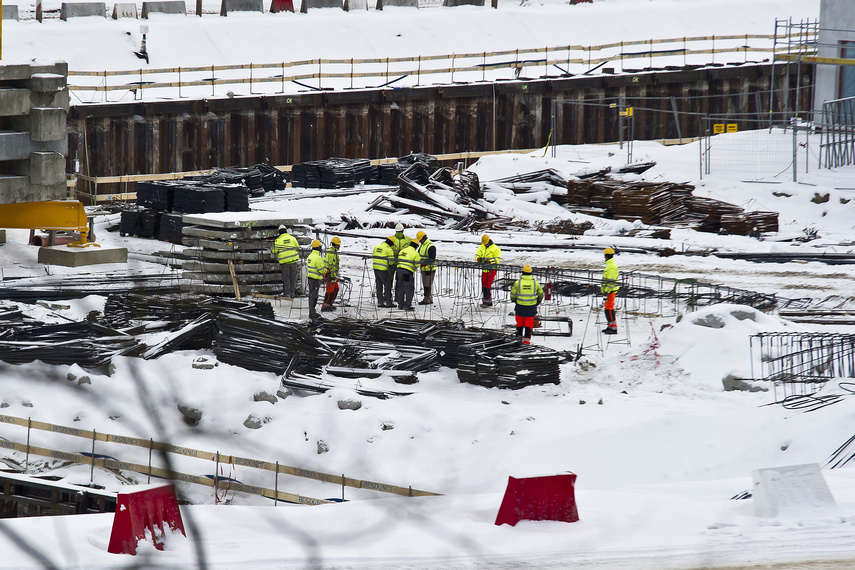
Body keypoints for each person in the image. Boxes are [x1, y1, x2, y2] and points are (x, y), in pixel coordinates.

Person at [510, 265, 544, 345]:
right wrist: (537, 302)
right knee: (529, 325)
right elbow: (541, 294)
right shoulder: (535, 283)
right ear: (531, 273)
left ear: (522, 273)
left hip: (520, 307)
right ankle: (526, 342)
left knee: (519, 324)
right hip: (531, 308)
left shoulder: (518, 283)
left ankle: (518, 340)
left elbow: (513, 295)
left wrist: (514, 300)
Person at [271, 225, 299, 299]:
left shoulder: (278, 240)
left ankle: (287, 294)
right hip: (293, 262)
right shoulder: (293, 238)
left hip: (285, 263)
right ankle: (292, 294)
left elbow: (273, 250)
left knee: (286, 279)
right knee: (293, 278)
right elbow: (297, 247)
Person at [475, 234, 501, 307]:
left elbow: (498, 259)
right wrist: (478, 258)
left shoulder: (495, 248)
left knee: (487, 285)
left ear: (488, 241)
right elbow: (477, 255)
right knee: (484, 284)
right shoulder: (481, 247)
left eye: (485, 243)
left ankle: (488, 300)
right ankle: (485, 300)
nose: (485, 245)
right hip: (484, 269)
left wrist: (490, 261)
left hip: (491, 269)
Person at [395, 238, 420, 311]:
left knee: (400, 288)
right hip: (407, 272)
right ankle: (407, 306)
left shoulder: (403, 251)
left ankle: (400, 305)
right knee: (409, 289)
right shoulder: (415, 253)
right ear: (416, 246)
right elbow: (417, 264)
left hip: (398, 271)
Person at [601, 246, 620, 335]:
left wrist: (606, 291)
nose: (604, 257)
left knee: (609, 310)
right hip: (609, 291)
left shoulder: (611, 267)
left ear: (607, 256)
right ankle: (610, 326)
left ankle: (613, 328)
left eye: (605, 256)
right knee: (608, 309)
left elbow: (611, 282)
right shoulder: (610, 265)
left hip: (610, 291)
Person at [372, 236, 395, 308]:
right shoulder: (389, 249)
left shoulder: (377, 247)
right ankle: (388, 302)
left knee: (379, 285)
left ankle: (380, 302)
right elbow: (391, 262)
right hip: (384, 269)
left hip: (376, 268)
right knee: (387, 285)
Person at [306, 239, 326, 320]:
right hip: (315, 280)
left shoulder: (310, 256)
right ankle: (312, 313)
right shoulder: (318, 258)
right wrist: (325, 270)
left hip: (310, 278)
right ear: (318, 248)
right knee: (314, 296)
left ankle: (311, 312)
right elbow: (321, 270)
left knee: (311, 296)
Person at [415, 230, 436, 305]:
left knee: (427, 284)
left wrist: (423, 263)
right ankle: (429, 298)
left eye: (420, 240)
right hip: (424, 268)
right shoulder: (422, 245)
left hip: (429, 269)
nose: (420, 241)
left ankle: (427, 298)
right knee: (426, 284)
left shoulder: (431, 246)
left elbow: (432, 259)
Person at [321, 236, 341, 312]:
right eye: (338, 245)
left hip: (331, 275)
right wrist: (332, 277)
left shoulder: (333, 252)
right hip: (329, 275)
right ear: (335, 245)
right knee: (330, 291)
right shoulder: (332, 253)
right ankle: (325, 306)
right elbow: (332, 266)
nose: (339, 246)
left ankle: (330, 304)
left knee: (336, 288)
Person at [389, 223, 409, 294]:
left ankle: (395, 296)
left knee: (399, 281)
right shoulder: (392, 239)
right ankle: (389, 296)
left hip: (401, 264)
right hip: (394, 263)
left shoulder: (408, 240)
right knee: (391, 280)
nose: (399, 233)